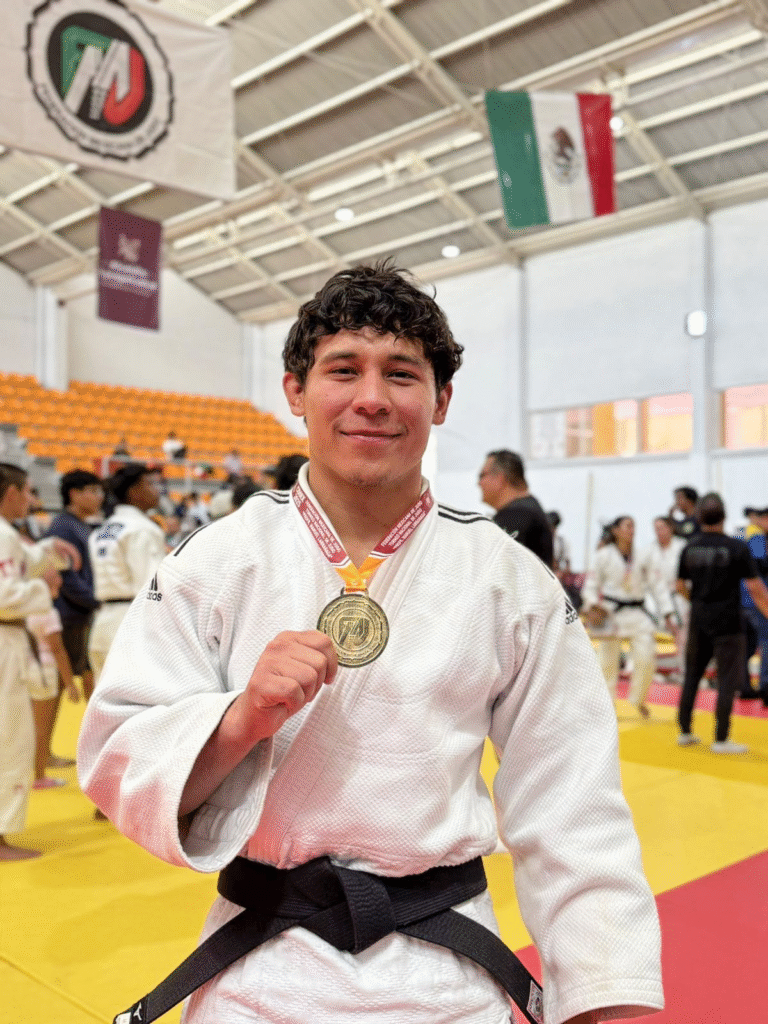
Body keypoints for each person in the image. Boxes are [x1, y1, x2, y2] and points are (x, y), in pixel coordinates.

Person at [78, 263, 663, 1024]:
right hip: (260, 978)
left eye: (402, 374)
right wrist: (239, 721)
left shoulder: (508, 579)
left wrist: (602, 1002)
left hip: (447, 983)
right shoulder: (216, 561)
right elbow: (118, 757)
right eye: (343, 369)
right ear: (295, 391)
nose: (373, 398)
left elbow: (573, 803)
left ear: (441, 400)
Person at [0, 462, 80, 860]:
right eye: (28, 492)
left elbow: (30, 558)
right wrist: (41, 587)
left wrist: (51, 551)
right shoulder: (2, 535)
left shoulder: (8, 537)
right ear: (12, 493)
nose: (32, 500)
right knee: (10, 737)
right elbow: (4, 595)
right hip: (4, 639)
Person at [677, 493, 768, 753]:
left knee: (692, 675)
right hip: (728, 620)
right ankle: (721, 738)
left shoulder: (689, 547)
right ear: (724, 516)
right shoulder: (736, 548)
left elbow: (680, 585)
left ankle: (685, 731)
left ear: (698, 517)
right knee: (728, 678)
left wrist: (697, 601)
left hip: (699, 618)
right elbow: (755, 588)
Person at [581, 516, 676, 717]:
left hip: (637, 612)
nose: (632, 530)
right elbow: (591, 585)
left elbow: (657, 585)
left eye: (633, 526)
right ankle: (607, 705)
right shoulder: (604, 555)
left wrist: (667, 611)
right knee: (607, 662)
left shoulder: (643, 555)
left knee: (647, 657)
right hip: (610, 612)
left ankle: (638, 699)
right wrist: (592, 605)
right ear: (616, 531)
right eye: (627, 526)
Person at [87, 463, 166, 684]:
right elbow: (150, 585)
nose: (157, 490)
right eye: (150, 484)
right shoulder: (142, 529)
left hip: (102, 621)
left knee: (102, 700)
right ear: (134, 492)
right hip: (131, 623)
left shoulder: (102, 530)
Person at [46, 470, 103, 702]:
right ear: (74, 494)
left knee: (88, 675)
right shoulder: (63, 527)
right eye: (92, 491)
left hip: (80, 614)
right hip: (67, 616)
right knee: (62, 681)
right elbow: (66, 577)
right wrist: (96, 600)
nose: (99, 496)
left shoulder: (80, 525)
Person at [26, 605, 80, 789]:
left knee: (26, 726)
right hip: (45, 670)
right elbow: (57, 648)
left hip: (26, 667)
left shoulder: (24, 610)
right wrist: (70, 682)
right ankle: (39, 776)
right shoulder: (48, 612)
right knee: (42, 728)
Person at [478, 449, 554, 566]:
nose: (479, 483)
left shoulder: (516, 515)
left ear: (500, 478)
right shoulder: (527, 509)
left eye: (482, 475)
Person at [645, 516, 688, 681]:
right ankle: (650, 669)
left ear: (670, 528)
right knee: (650, 632)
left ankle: (684, 670)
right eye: (656, 528)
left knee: (682, 635)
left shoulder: (682, 546)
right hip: (656, 596)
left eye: (662, 527)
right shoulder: (650, 550)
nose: (659, 531)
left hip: (680, 595)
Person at [738, 505, 768, 706]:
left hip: (744, 599)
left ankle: (744, 686)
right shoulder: (756, 536)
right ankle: (765, 686)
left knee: (747, 646)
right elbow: (759, 565)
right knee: (764, 642)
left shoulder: (743, 533)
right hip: (756, 599)